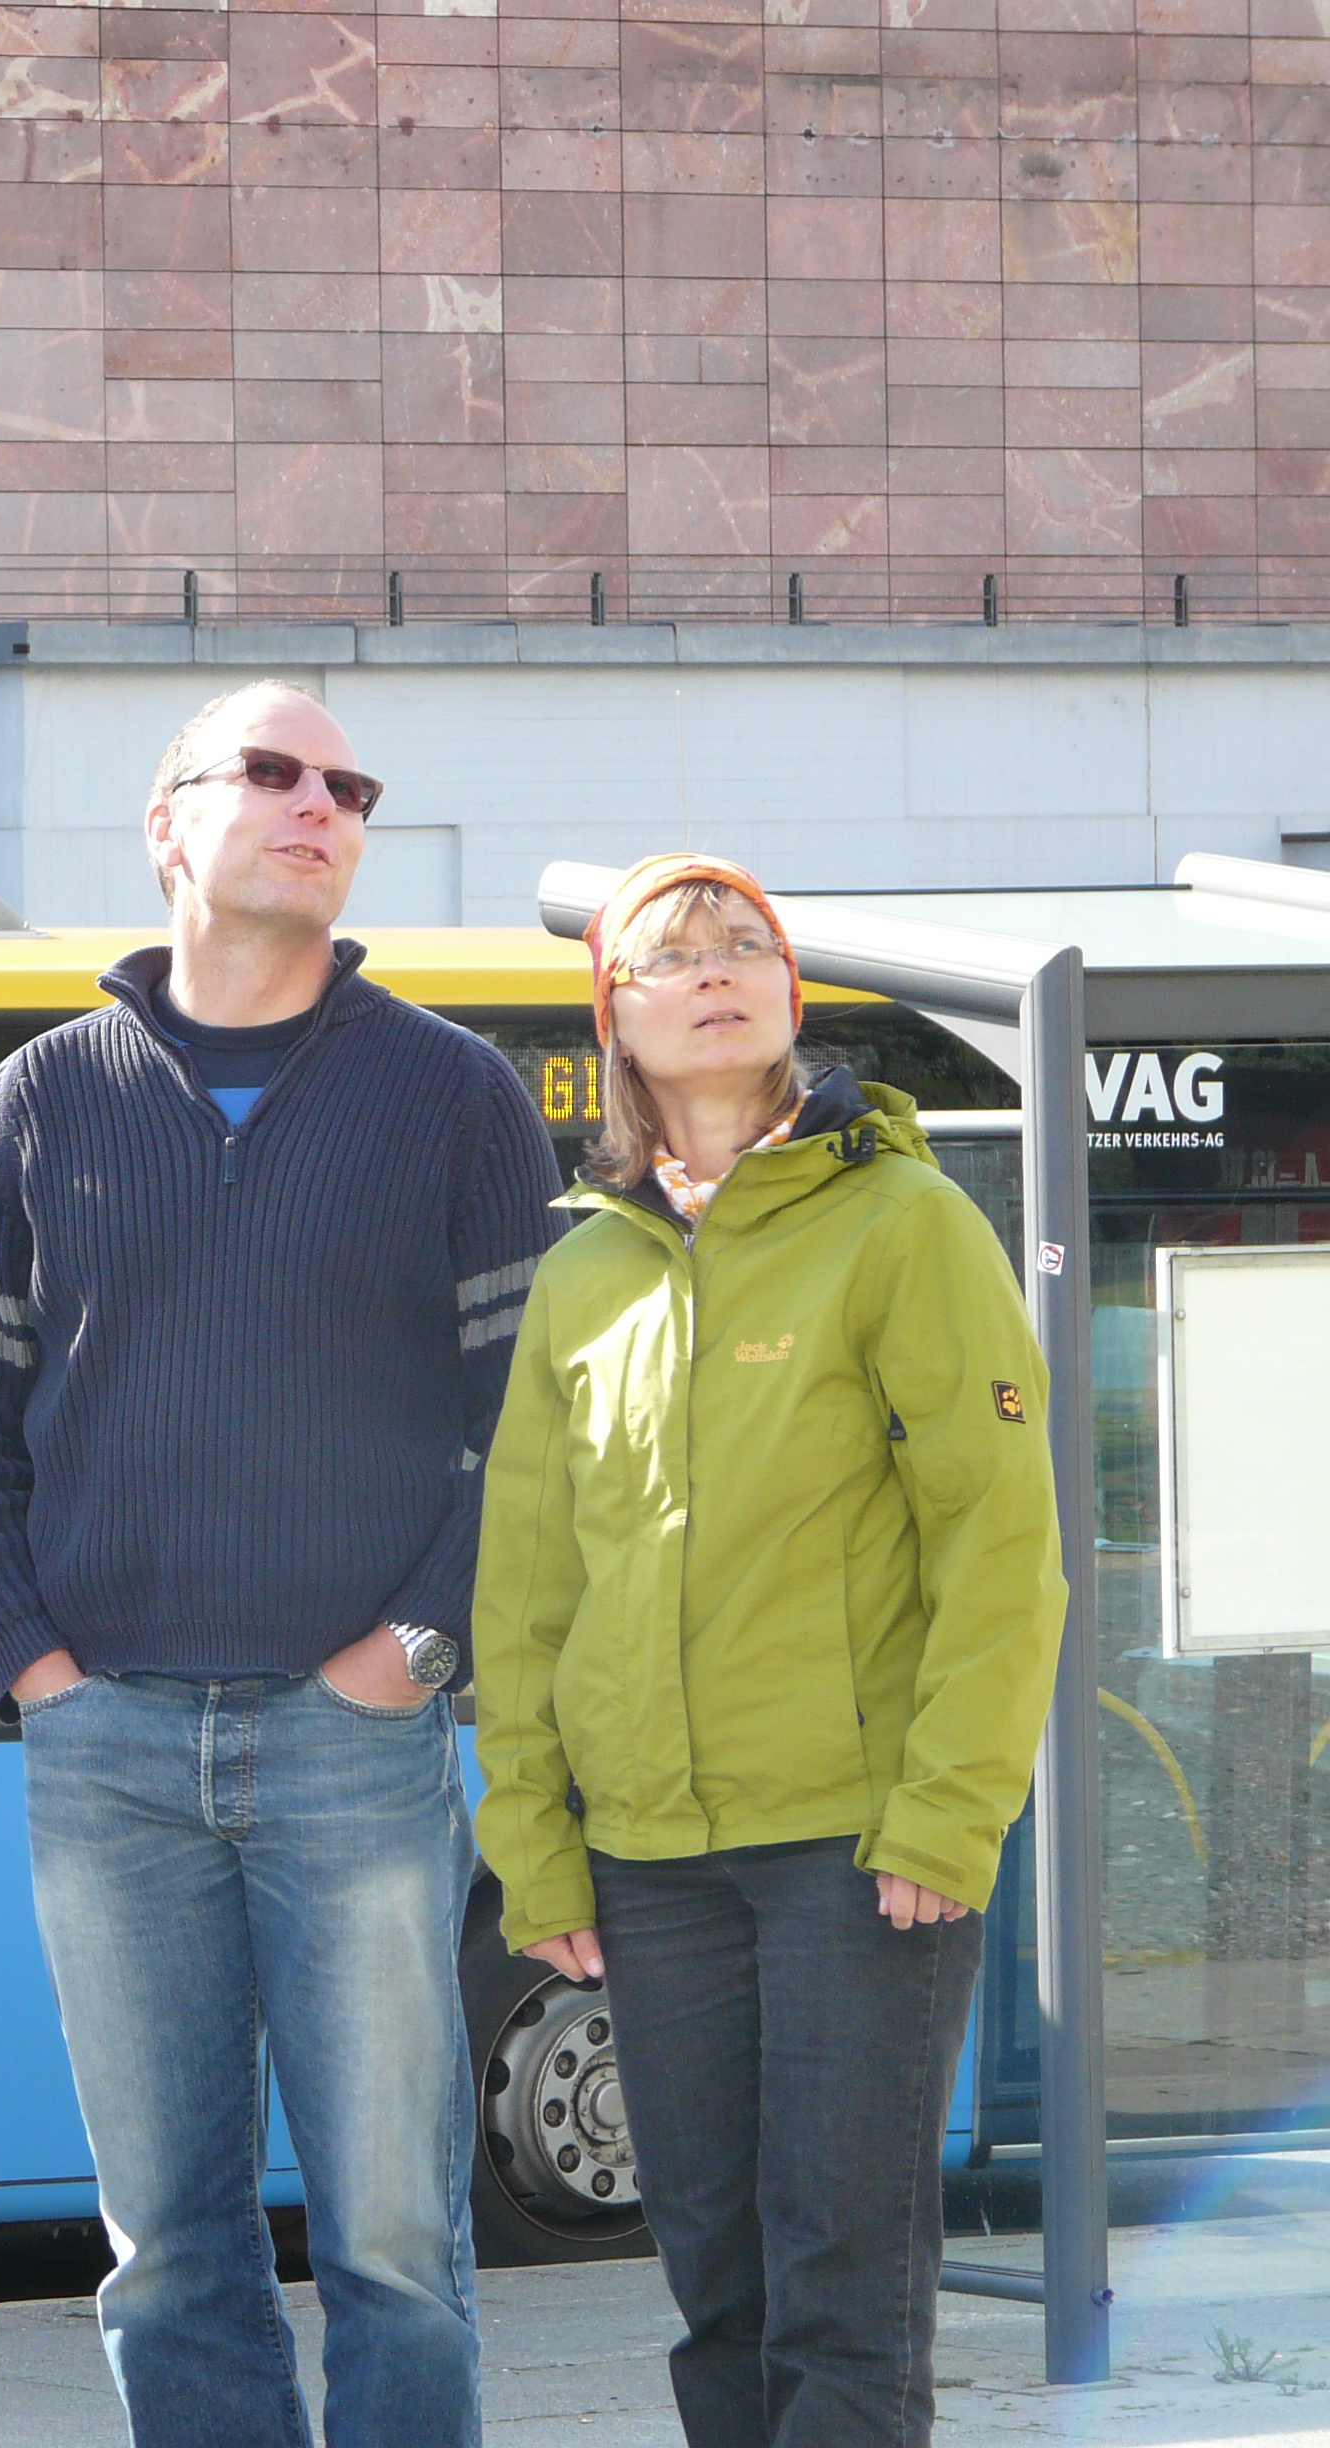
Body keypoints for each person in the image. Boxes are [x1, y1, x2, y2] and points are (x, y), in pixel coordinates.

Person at [0, 680, 559, 2448]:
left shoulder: (454, 1096)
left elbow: (531, 1430)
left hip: (356, 1744)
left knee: (394, 2242)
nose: (316, 802)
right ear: (166, 824)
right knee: (165, 2250)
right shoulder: (34, 1101)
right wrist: (37, 1671)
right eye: (269, 772)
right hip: (104, 1746)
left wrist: (413, 1649)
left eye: (347, 784)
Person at [472, 854, 1067, 2447]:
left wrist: (948, 1812)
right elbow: (525, 1593)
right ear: (616, 1018)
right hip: (649, 1861)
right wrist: (536, 1844)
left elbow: (999, 1546)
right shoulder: (582, 1271)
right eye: (674, 954)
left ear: (791, 997)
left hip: (853, 1853)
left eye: (747, 946)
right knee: (717, 2281)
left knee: (841, 2283)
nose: (718, 970)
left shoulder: (905, 1222)